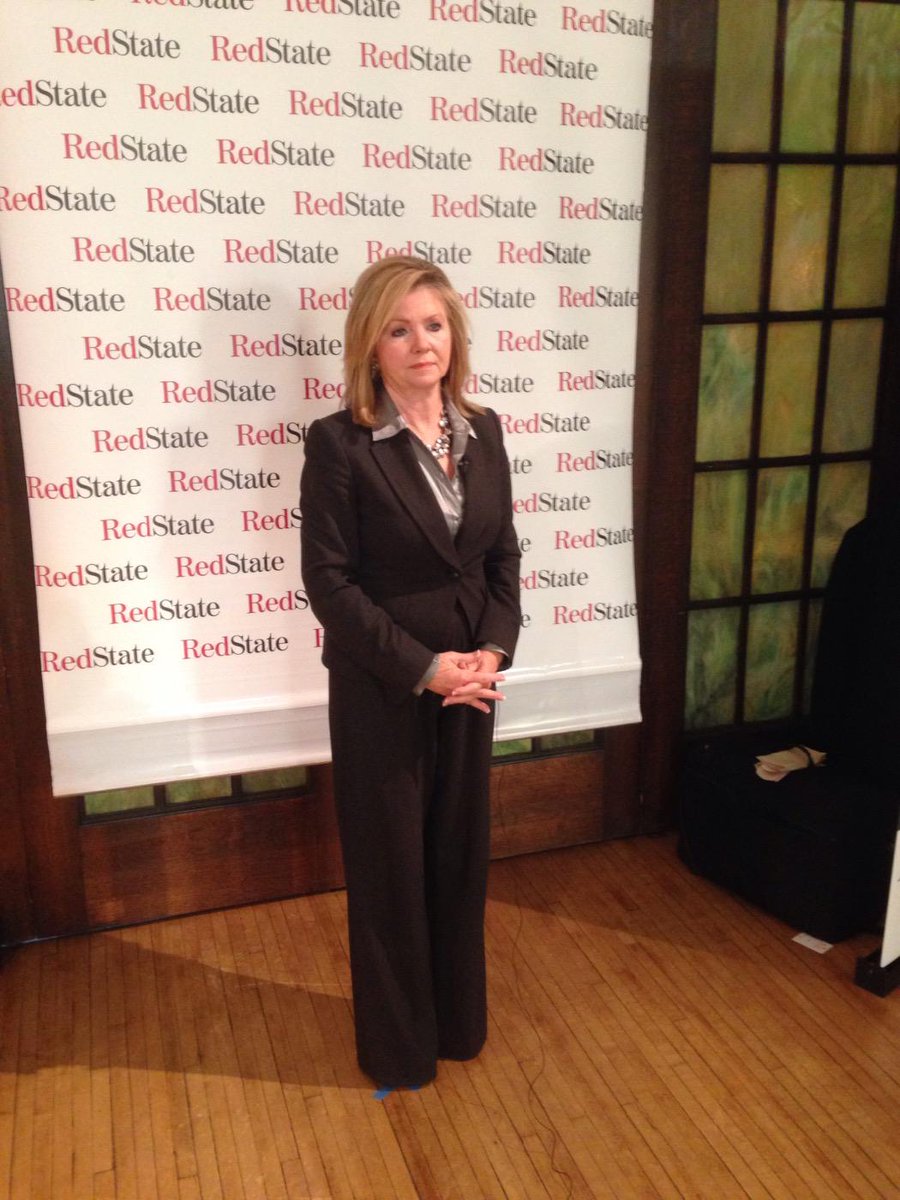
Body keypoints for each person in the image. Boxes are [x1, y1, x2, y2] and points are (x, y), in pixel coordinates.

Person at [299, 255, 521, 1089]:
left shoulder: (485, 431)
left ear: (454, 335)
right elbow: (330, 584)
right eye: (399, 329)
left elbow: (501, 558)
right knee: (391, 871)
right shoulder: (339, 443)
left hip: (473, 687)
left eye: (433, 325)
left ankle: (458, 1026)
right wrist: (426, 669)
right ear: (371, 343)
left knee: (459, 859)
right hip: (383, 689)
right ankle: (399, 1049)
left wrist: (492, 651)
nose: (421, 343)